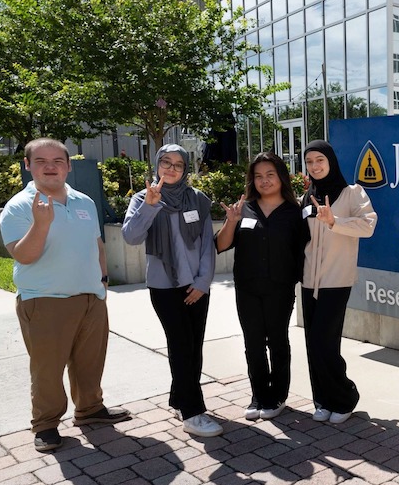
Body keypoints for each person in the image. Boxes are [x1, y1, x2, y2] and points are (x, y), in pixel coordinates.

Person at [0, 138, 130, 452]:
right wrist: (41, 225)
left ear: (68, 166)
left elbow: (97, 245)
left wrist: (102, 283)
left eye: (58, 160)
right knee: (48, 368)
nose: (50, 167)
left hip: (90, 298)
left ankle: (90, 409)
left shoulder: (84, 201)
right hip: (45, 301)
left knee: (90, 362)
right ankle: (45, 425)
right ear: (28, 165)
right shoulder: (19, 206)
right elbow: (23, 255)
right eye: (41, 161)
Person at [122, 144, 221, 437]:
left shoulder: (198, 200)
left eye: (178, 164)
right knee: (181, 347)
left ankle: (178, 398)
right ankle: (193, 413)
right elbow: (130, 237)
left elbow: (207, 245)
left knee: (194, 346)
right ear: (156, 164)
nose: (171, 169)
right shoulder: (144, 198)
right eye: (166, 162)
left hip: (196, 285)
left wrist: (203, 283)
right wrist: (150, 206)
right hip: (164, 287)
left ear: (186, 168)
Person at [216, 152, 309, 421]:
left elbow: (304, 250)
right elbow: (221, 245)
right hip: (247, 287)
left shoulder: (294, 212)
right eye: (258, 176)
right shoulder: (243, 208)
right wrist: (231, 222)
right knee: (253, 343)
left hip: (280, 288)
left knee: (278, 341)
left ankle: (278, 395)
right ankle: (259, 395)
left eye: (270, 175)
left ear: (281, 177)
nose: (264, 181)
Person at [300, 140, 377, 424]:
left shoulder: (352, 193)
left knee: (325, 342)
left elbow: (368, 225)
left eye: (319, 160)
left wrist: (335, 221)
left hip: (336, 280)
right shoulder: (308, 195)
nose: (315, 166)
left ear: (331, 160)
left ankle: (345, 398)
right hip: (309, 280)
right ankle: (322, 399)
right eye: (309, 162)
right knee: (312, 343)